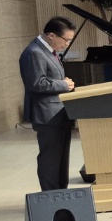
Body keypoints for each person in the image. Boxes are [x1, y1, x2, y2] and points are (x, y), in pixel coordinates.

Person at [20, 17, 79, 191]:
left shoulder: (49, 51)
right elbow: (36, 83)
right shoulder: (34, 52)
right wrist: (63, 84)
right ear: (51, 35)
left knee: (61, 157)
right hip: (46, 114)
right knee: (50, 158)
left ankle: (61, 193)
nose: (67, 44)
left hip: (59, 111)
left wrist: (62, 82)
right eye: (66, 40)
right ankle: (51, 195)